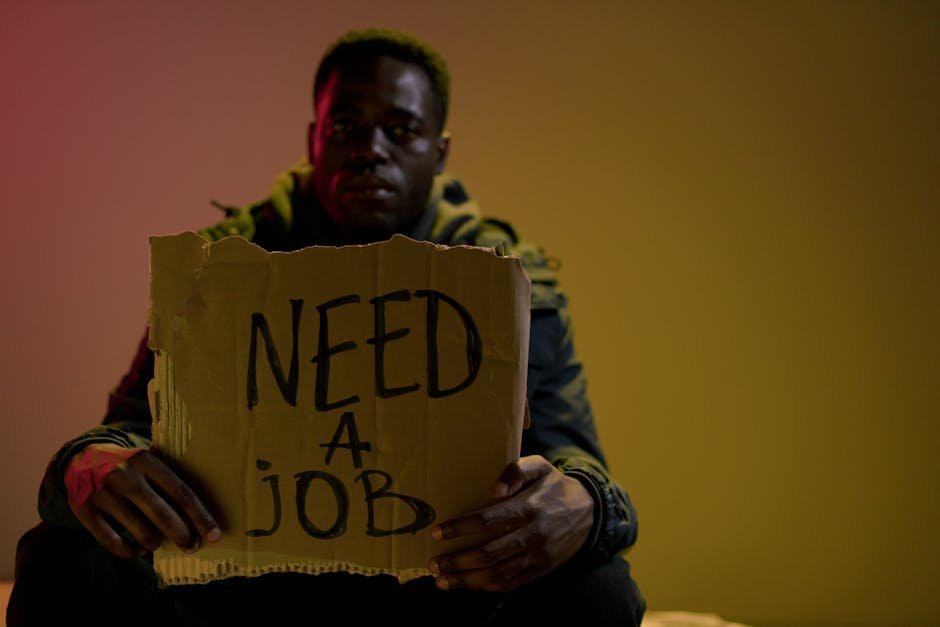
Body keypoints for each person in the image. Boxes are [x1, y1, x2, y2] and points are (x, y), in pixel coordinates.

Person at [9, 28, 645, 626]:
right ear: (314, 139)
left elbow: (574, 453)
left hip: (436, 588)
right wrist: (85, 465)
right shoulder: (223, 266)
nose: (371, 150)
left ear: (440, 152)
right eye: (347, 127)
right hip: (245, 586)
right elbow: (129, 429)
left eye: (401, 130)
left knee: (599, 587)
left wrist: (584, 507)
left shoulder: (505, 283)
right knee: (62, 553)